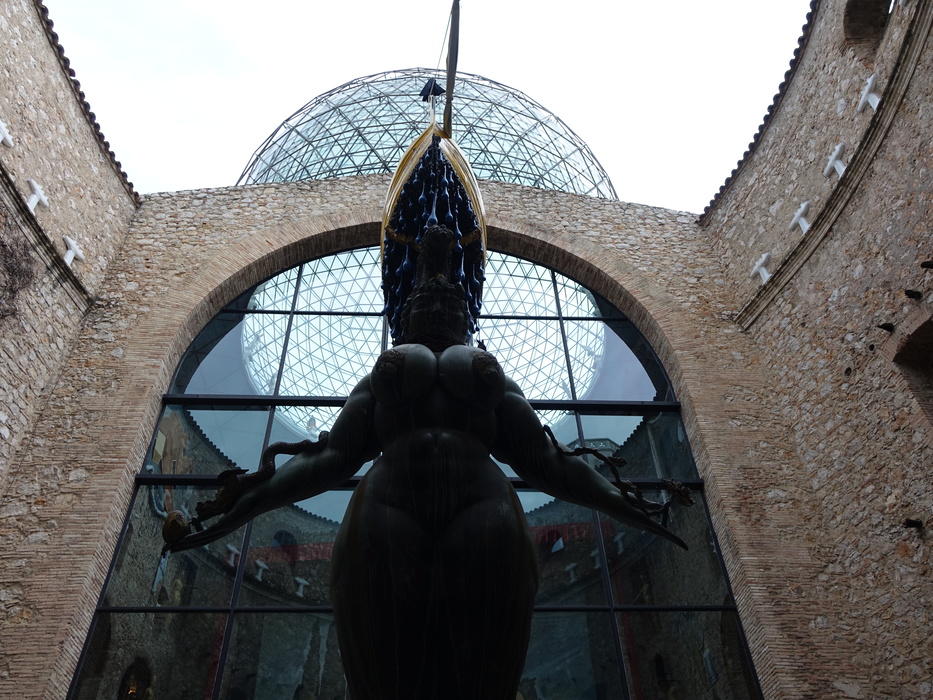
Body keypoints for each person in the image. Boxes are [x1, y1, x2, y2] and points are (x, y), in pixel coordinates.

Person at [167, 225, 685, 699]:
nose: (437, 311)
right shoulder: (379, 380)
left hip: (483, 512)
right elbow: (330, 459)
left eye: (448, 306)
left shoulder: (494, 381)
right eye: (426, 305)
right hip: (387, 512)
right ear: (406, 317)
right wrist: (233, 512)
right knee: (385, 666)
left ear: (465, 319)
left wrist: (628, 503)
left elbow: (547, 461)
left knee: (482, 666)